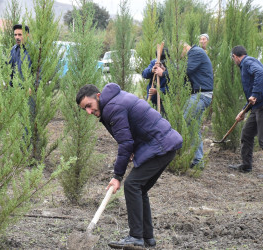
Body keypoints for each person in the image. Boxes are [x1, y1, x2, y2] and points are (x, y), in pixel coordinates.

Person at [76, 83, 183, 249]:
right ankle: (147, 238)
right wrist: (132, 148)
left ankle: (136, 237)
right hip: (164, 144)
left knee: (132, 185)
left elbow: (125, 143)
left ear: (98, 96)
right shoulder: (114, 100)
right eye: (85, 109)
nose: (89, 112)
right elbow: (131, 133)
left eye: (89, 106)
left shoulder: (112, 107)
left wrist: (117, 176)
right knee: (139, 188)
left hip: (161, 146)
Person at [228, 45, 263, 173]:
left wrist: (254, 94)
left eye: (233, 58)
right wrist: (243, 111)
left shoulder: (248, 62)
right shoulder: (247, 63)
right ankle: (246, 165)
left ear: (235, 56)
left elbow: (260, 73)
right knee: (247, 134)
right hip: (257, 107)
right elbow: (251, 98)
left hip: (262, 107)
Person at [183, 42, 214, 168]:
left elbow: (186, 70)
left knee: (184, 121)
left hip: (201, 95)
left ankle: (172, 156)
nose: (179, 56)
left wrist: (164, 73)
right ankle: (198, 161)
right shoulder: (195, 53)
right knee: (193, 127)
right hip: (200, 95)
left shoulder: (196, 52)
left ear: (183, 48)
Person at [142, 48, 170, 113]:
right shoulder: (154, 63)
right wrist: (151, 70)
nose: (162, 64)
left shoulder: (172, 66)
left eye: (164, 62)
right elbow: (144, 74)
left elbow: (173, 87)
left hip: (165, 102)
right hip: (152, 99)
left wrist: (158, 91)